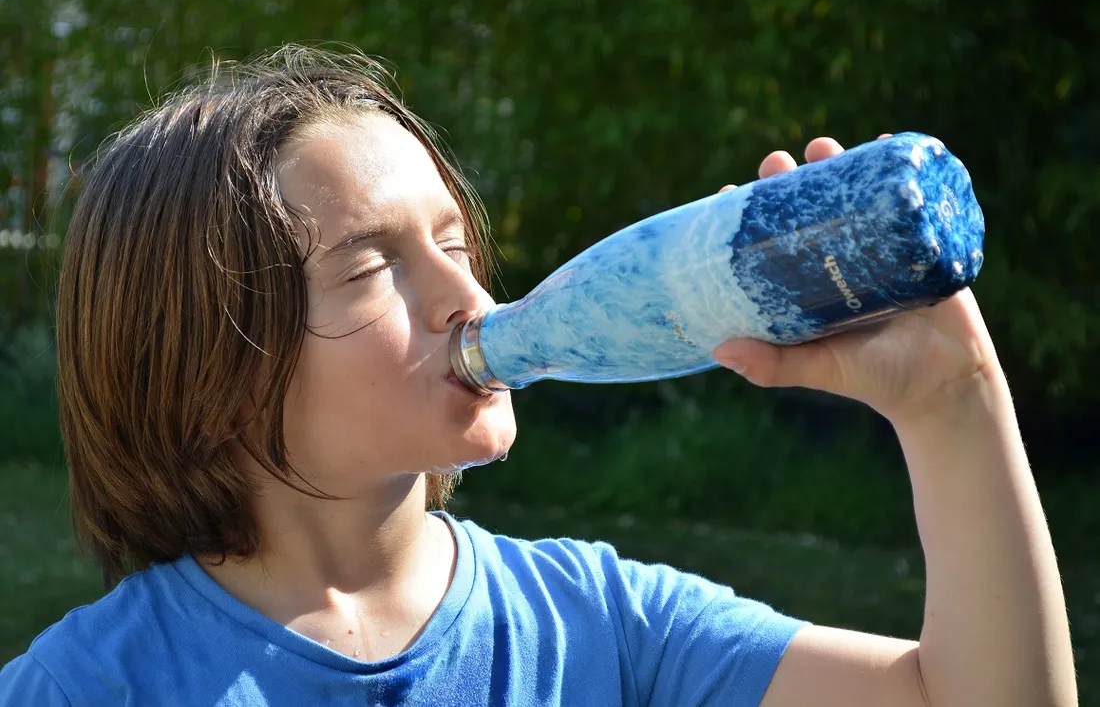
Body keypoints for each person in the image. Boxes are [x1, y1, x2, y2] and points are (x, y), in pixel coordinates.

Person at [0, 45, 1076, 706]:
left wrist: (952, 399)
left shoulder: (596, 619)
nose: (466, 296)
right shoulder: (88, 687)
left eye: (455, 244)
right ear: (211, 365)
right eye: (375, 264)